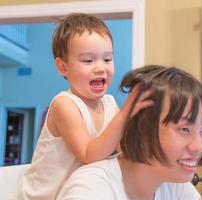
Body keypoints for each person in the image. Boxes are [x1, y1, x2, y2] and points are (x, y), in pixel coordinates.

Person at [15, 13, 153, 199]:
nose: (100, 68)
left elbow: (125, 148)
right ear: (63, 67)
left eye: (107, 59)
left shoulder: (110, 103)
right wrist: (125, 115)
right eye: (88, 60)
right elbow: (88, 154)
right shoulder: (65, 105)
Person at [57, 65, 202, 200]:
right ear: (144, 128)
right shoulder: (90, 190)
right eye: (184, 129)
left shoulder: (173, 184)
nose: (199, 146)